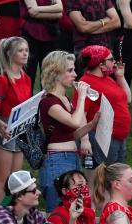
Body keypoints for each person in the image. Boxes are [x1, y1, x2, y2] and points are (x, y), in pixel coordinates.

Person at [38, 52, 94, 210]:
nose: (75, 74)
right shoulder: (48, 101)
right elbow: (74, 122)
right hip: (57, 160)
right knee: (57, 211)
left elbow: (70, 135)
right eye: (69, 70)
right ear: (55, 73)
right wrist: (82, 97)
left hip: (71, 157)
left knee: (73, 211)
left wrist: (91, 125)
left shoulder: (65, 100)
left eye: (74, 70)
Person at [0, 37, 32, 208]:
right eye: (21, 50)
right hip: (3, 128)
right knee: (3, 179)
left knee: (15, 181)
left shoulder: (26, 77)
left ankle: (9, 215)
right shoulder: (2, 79)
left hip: (19, 129)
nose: (25, 53)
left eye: (26, 50)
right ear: (9, 53)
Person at [76, 45, 131, 166]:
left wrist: (120, 76)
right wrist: (85, 140)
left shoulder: (108, 79)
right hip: (103, 138)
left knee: (115, 175)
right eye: (111, 60)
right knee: (104, 177)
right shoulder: (86, 83)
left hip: (118, 137)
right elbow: (81, 114)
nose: (115, 62)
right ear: (101, 64)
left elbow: (128, 99)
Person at [19, 0, 63, 84]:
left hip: (50, 34)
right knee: (30, 71)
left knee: (49, 72)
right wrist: (49, 11)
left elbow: (60, 10)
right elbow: (31, 13)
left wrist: (37, 9)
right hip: (31, 34)